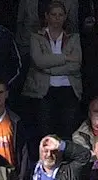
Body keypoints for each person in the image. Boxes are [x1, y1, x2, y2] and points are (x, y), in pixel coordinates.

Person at [24, 1, 82, 141]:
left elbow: (76, 65)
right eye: (53, 14)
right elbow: (39, 61)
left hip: (68, 89)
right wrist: (66, 58)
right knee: (46, 134)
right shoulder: (36, 37)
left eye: (60, 15)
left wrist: (48, 68)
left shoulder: (74, 37)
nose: (57, 18)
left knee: (67, 133)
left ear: (65, 16)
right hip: (44, 91)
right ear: (46, 16)